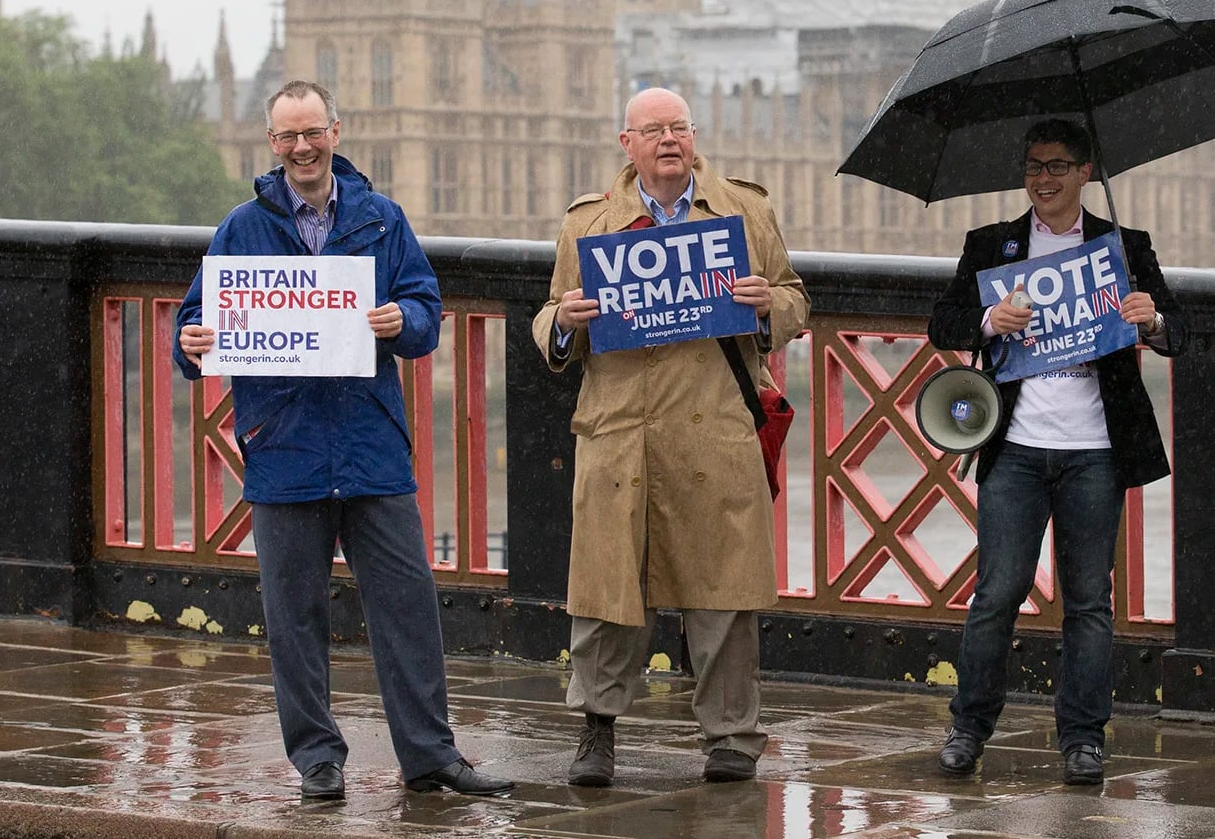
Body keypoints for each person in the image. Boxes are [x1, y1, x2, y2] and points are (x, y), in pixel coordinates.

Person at [173, 80, 511, 802]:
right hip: (283, 446)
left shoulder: (382, 220)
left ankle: (430, 754)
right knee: (294, 619)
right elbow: (195, 324)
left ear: (336, 130)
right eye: (288, 136)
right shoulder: (242, 227)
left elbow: (425, 307)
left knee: (408, 609)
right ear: (272, 144)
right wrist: (192, 339)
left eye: (313, 132)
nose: (302, 147)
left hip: (370, 446)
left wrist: (404, 322)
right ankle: (318, 759)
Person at [532, 87, 809, 788]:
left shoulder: (745, 210)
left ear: (694, 136)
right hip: (620, 428)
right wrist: (565, 319)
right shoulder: (589, 223)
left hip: (712, 421)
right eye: (652, 130)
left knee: (723, 594)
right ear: (626, 143)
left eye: (679, 128)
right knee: (607, 593)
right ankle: (597, 730)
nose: (668, 141)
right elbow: (549, 320)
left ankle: (732, 736)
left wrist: (764, 305)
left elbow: (794, 297)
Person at [927, 117, 1187, 787]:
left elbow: (1179, 333)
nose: (1043, 179)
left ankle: (1081, 738)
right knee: (997, 592)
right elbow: (944, 323)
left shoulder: (1125, 247)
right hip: (1014, 447)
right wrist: (990, 321)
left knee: (1089, 603)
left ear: (1086, 173)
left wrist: (1149, 319)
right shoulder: (993, 245)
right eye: (1033, 166)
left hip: (1095, 449)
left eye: (1057, 166)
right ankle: (969, 726)